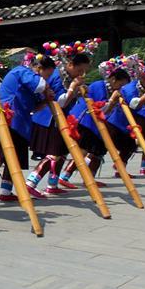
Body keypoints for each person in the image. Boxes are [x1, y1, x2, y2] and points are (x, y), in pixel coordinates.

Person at [0, 52, 55, 208]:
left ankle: (6, 192)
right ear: (39, 68)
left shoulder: (30, 81)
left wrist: (47, 100)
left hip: (17, 123)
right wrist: (46, 88)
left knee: (13, 158)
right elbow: (41, 85)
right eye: (47, 75)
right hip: (4, 118)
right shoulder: (22, 71)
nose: (47, 79)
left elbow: (35, 106)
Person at [24, 41, 94, 197]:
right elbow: (59, 101)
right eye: (79, 69)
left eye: (84, 71)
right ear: (70, 64)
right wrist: (72, 88)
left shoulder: (68, 76)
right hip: (49, 118)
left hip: (61, 119)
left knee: (62, 151)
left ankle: (52, 183)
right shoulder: (57, 75)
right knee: (54, 152)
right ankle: (31, 181)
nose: (81, 74)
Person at [57, 58, 133, 186]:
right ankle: (65, 176)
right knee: (83, 150)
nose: (121, 88)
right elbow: (97, 108)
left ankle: (89, 178)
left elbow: (106, 112)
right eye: (121, 85)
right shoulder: (99, 85)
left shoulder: (112, 92)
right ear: (114, 80)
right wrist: (111, 101)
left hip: (97, 125)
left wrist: (113, 102)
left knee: (99, 151)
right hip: (85, 121)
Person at [105, 62, 145, 176]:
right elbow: (134, 104)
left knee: (130, 146)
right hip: (117, 122)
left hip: (132, 123)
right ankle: (70, 173)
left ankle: (120, 170)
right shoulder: (130, 87)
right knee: (97, 148)